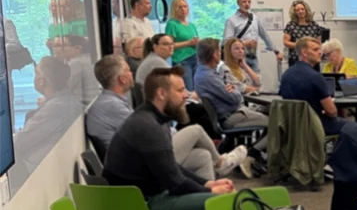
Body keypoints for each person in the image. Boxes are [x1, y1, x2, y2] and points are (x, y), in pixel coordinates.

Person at [103, 67, 235, 210]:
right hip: (142, 209)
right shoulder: (149, 127)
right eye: (180, 89)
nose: (186, 95)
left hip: (136, 204)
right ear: (162, 94)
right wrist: (211, 190)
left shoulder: (151, 119)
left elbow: (173, 168)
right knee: (218, 203)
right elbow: (174, 182)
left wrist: (207, 184)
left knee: (211, 195)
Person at [85, 55, 246, 180]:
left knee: (202, 156)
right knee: (196, 130)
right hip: (141, 164)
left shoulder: (110, 102)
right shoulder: (111, 106)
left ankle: (206, 205)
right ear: (122, 79)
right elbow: (148, 133)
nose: (131, 72)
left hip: (141, 158)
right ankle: (220, 163)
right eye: (128, 70)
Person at [194, 38, 269, 131]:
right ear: (214, 54)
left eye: (242, 48)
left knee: (271, 113)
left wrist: (234, 88)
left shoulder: (205, 73)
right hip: (232, 116)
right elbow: (236, 99)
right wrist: (236, 90)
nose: (241, 51)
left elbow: (257, 83)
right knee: (276, 122)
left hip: (234, 112)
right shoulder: (211, 76)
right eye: (219, 51)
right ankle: (255, 146)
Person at [280, 37, 347, 136]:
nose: (320, 52)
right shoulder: (316, 77)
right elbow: (332, 112)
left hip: (292, 126)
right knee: (356, 128)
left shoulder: (286, 75)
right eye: (315, 49)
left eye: (320, 49)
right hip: (315, 126)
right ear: (304, 53)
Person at [222, 0, 281, 73]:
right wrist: (245, 44)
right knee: (242, 83)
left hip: (253, 57)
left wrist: (276, 51)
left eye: (249, 2)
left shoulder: (255, 18)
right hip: (238, 59)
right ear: (238, 3)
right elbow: (226, 42)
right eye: (244, 2)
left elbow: (265, 35)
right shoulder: (231, 21)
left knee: (257, 82)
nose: (247, 4)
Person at [165, 0, 200, 91]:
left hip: (195, 58)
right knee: (188, 89)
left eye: (185, 7)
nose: (183, 9)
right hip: (182, 60)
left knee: (197, 89)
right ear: (175, 9)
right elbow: (169, 45)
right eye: (180, 7)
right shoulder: (172, 24)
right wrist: (188, 43)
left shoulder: (191, 25)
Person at [282, 0, 328, 67]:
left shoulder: (314, 25)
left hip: (312, 60)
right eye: (298, 10)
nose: (300, 11)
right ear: (294, 12)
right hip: (296, 59)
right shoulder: (290, 25)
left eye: (302, 9)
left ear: (306, 10)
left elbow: (319, 42)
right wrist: (302, 46)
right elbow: (286, 42)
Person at [62, 35, 100, 105]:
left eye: (64, 45)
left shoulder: (76, 63)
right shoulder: (90, 59)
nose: (59, 49)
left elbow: (63, 88)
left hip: (82, 105)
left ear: (77, 48)